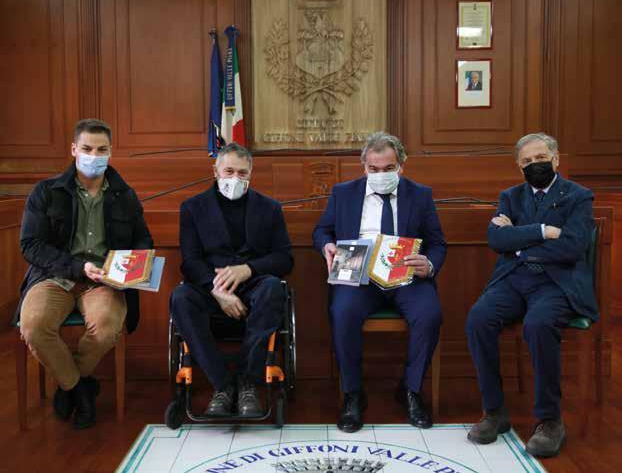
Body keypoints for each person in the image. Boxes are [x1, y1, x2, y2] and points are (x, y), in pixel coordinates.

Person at [466, 132, 597, 457]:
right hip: (513, 279)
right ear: (518, 166)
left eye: (540, 158)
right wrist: (542, 232)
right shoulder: (510, 197)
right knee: (478, 319)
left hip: (556, 281)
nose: (534, 165)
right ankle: (495, 412)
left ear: (556, 159)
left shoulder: (578, 196)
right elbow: (497, 240)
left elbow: (573, 246)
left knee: (538, 325)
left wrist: (521, 246)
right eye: (527, 161)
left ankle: (550, 421)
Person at [18, 118, 153, 429]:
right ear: (73, 149)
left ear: (110, 151)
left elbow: (142, 239)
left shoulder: (125, 195)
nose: (94, 155)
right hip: (54, 277)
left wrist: (135, 265)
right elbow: (30, 245)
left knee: (106, 328)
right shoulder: (46, 192)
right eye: (87, 148)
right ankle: (79, 387)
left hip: (103, 282)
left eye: (102, 149)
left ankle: (69, 383)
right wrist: (78, 267)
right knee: (34, 326)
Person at [312, 132, 447, 433]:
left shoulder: (420, 194)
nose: (380, 174)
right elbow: (322, 230)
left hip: (406, 275)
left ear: (401, 166)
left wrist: (429, 264)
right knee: (343, 312)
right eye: (373, 169)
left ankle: (411, 390)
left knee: (429, 314)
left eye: (388, 168)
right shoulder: (343, 193)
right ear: (364, 167)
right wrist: (327, 246)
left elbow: (437, 243)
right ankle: (353, 394)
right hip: (357, 273)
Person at [170, 143, 293, 418]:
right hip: (209, 287)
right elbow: (190, 261)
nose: (235, 178)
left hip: (254, 285)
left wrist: (248, 269)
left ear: (250, 173)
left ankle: (248, 382)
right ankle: (223, 385)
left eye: (242, 173)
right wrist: (217, 291)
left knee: (273, 289)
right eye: (229, 171)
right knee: (180, 298)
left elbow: (285, 259)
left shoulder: (270, 208)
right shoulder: (192, 208)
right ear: (215, 171)